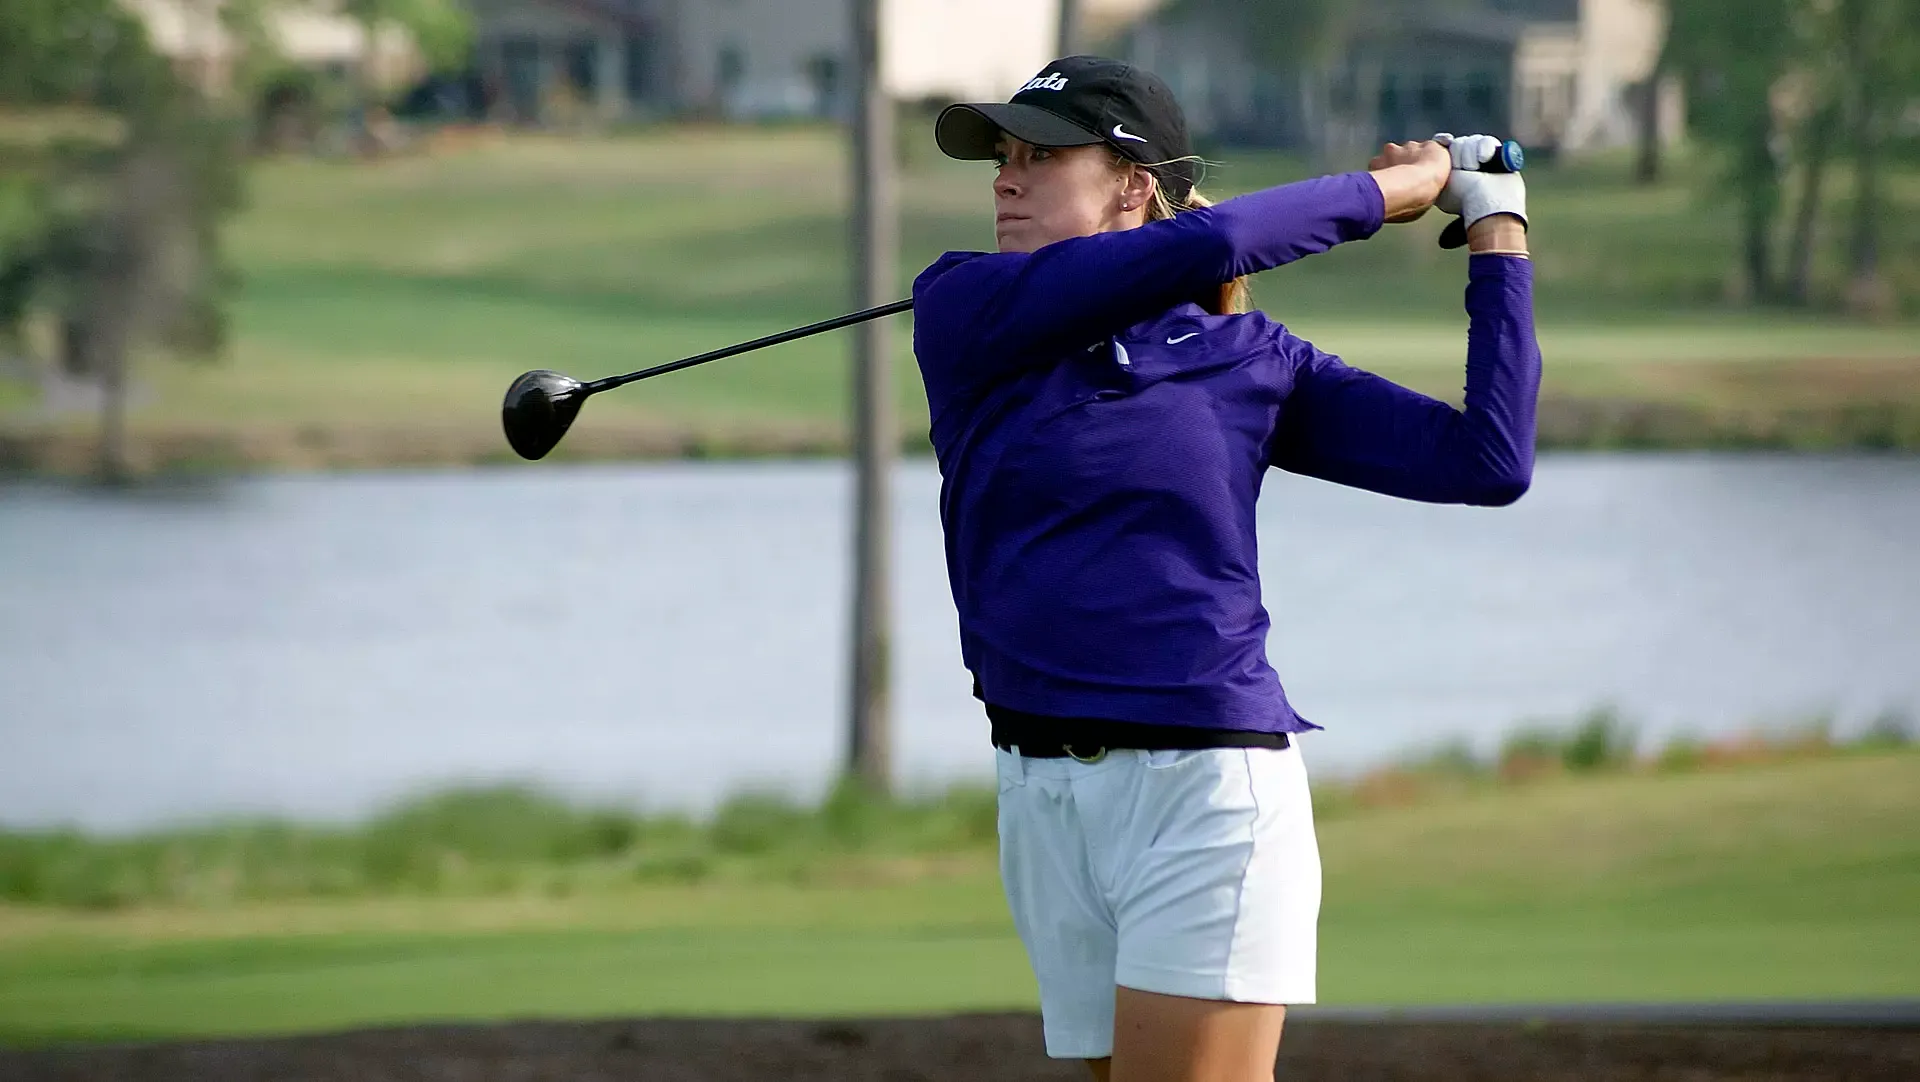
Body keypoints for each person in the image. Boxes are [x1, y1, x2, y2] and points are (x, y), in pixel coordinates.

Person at [911, 56, 1539, 1082]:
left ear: (1131, 184)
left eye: (1038, 154)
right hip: (1040, 800)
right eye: (1001, 158)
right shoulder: (966, 306)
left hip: (1202, 790)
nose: (1004, 178)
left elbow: (1489, 459)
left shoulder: (1249, 359)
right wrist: (1388, 192)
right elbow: (1216, 238)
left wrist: (1494, 227)